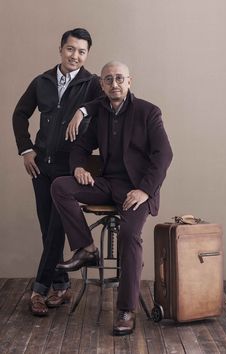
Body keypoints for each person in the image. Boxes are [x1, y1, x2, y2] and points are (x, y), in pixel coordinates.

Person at [51, 61, 173, 336]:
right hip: (107, 184)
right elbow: (81, 146)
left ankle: (125, 309)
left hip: (136, 191)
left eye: (119, 78)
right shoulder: (102, 113)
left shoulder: (148, 112)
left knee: (130, 235)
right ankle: (86, 248)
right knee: (61, 186)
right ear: (102, 85)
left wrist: (144, 190)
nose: (114, 84)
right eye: (108, 80)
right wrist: (79, 167)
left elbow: (164, 155)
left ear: (130, 81)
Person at [12, 28, 103, 316]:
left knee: (54, 229)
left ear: (87, 54)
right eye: (70, 49)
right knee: (47, 228)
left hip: (69, 170)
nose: (75, 55)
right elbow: (20, 114)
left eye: (81, 51)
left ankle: (39, 290)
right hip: (41, 167)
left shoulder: (93, 84)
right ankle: (62, 286)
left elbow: (117, 97)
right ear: (61, 49)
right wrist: (26, 150)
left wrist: (83, 111)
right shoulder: (43, 81)